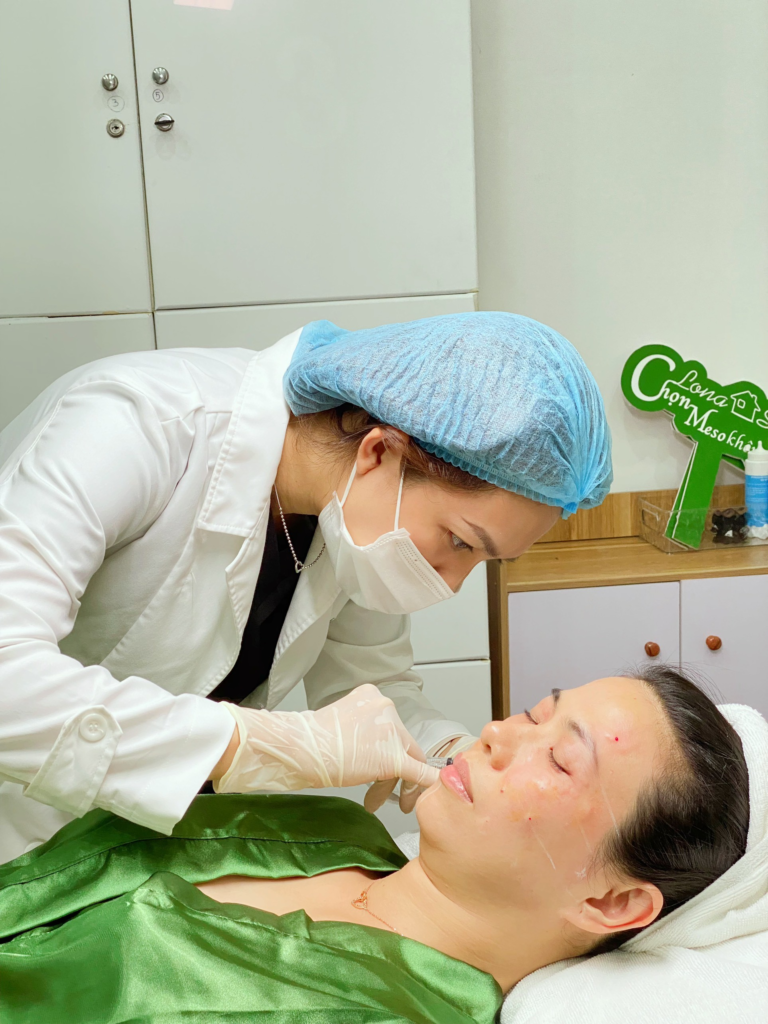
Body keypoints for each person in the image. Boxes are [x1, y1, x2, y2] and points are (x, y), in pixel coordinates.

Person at [0, 313, 612, 862]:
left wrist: (449, 751)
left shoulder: (351, 516)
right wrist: (254, 743)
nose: (451, 583)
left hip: (136, 849)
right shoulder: (134, 425)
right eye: (460, 541)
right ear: (378, 453)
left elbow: (369, 687)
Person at [0, 667, 749, 1024]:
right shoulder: (336, 828)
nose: (496, 734)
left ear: (612, 902)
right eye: (532, 713)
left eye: (558, 759)